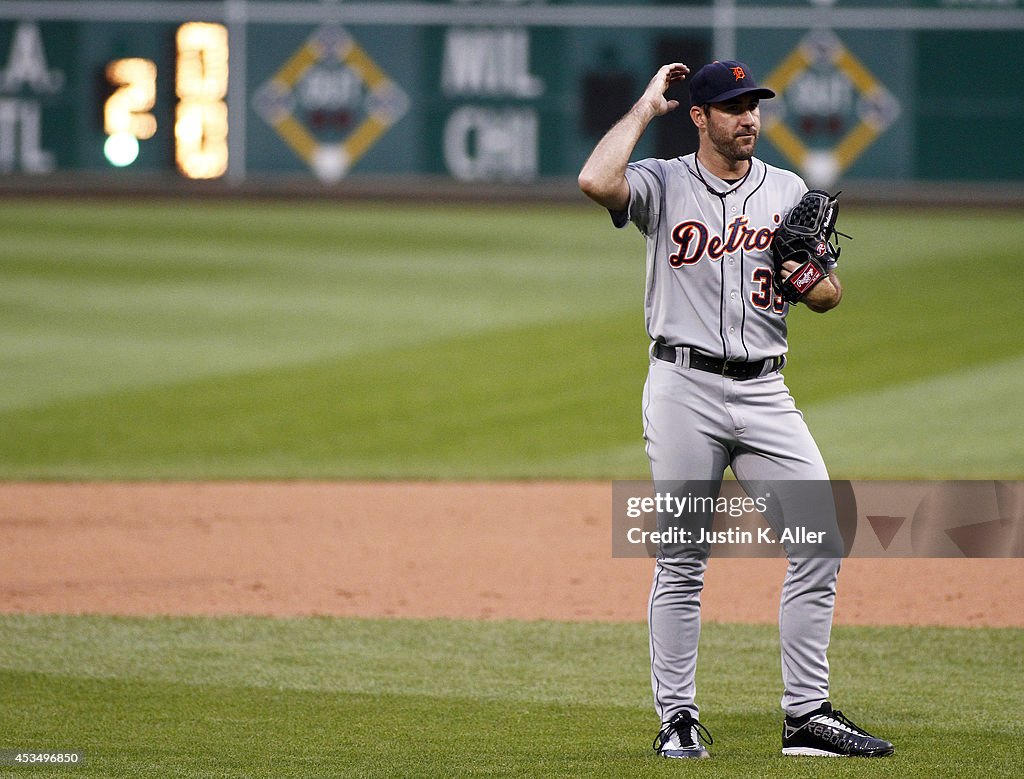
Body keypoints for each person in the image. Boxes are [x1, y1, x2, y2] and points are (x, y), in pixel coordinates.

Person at [577, 60, 894, 758]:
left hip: (765, 390)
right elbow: (596, 180)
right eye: (731, 106)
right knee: (684, 556)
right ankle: (678, 718)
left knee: (821, 536)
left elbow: (826, 293)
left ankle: (806, 716)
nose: (749, 117)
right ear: (699, 116)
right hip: (682, 388)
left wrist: (814, 282)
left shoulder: (787, 190)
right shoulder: (662, 182)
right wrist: (640, 109)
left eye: (754, 105)